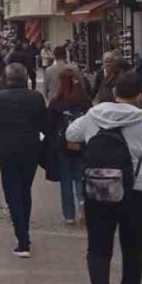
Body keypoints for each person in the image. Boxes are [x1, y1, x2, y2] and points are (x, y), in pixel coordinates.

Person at [66, 72, 142, 284]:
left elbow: (71, 134)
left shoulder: (94, 113)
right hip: (135, 190)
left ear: (114, 92)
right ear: (140, 95)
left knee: (98, 248)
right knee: (132, 250)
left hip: (98, 187)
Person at [0, 64, 47, 257]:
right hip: (31, 148)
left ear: (7, 79)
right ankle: (24, 232)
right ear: (25, 78)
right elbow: (45, 123)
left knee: (11, 189)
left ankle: (22, 239)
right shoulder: (36, 97)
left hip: (6, 150)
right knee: (25, 189)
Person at [48, 66, 92, 225]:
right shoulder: (84, 101)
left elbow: (50, 126)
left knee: (66, 180)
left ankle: (69, 215)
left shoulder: (57, 102)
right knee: (81, 177)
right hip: (82, 145)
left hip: (63, 147)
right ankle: (83, 204)